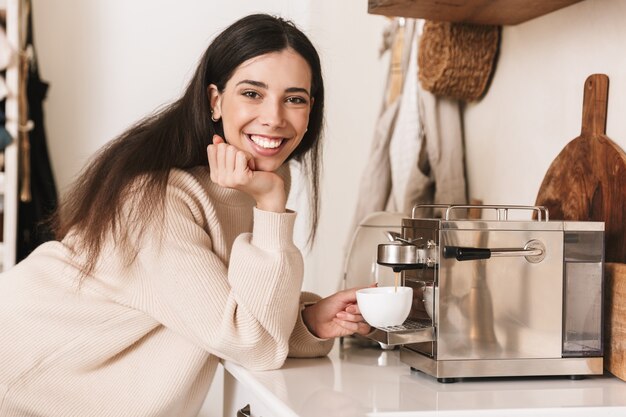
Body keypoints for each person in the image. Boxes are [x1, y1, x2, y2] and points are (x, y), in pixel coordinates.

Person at [0, 13, 371, 417]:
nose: (274, 117)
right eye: (252, 93)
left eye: (294, 98)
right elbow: (251, 341)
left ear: (310, 109)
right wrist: (271, 206)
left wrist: (309, 320)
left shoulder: (251, 181)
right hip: (21, 382)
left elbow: (235, 311)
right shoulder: (156, 200)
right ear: (215, 99)